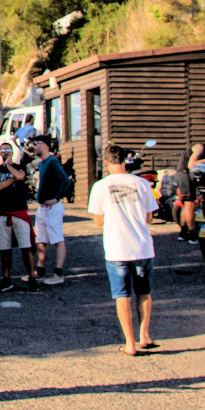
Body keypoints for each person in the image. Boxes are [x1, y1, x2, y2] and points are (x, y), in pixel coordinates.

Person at [88, 143, 159, 356]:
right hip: (142, 246)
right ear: (125, 161)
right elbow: (149, 217)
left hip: (116, 246)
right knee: (144, 291)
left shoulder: (100, 186)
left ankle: (129, 343)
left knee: (122, 295)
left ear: (107, 162)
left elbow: (98, 221)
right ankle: (145, 334)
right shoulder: (142, 184)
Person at [0, 141, 37, 292]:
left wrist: (9, 166)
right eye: (3, 150)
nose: (5, 152)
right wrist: (12, 179)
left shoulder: (19, 166)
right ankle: (6, 278)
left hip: (19, 211)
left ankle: (32, 277)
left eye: (8, 150)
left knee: (26, 247)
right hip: (3, 212)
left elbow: (21, 176)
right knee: (5, 249)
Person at [30, 135, 71, 284]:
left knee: (57, 239)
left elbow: (65, 181)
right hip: (42, 208)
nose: (33, 147)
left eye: (36, 144)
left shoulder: (53, 161)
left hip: (52, 207)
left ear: (45, 145)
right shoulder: (41, 164)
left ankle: (58, 273)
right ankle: (40, 270)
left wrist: (56, 197)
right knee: (40, 239)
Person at [175, 143, 205, 242]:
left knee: (186, 206)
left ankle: (183, 233)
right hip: (185, 176)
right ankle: (192, 235)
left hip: (181, 175)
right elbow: (191, 164)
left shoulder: (196, 148)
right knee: (190, 205)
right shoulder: (201, 148)